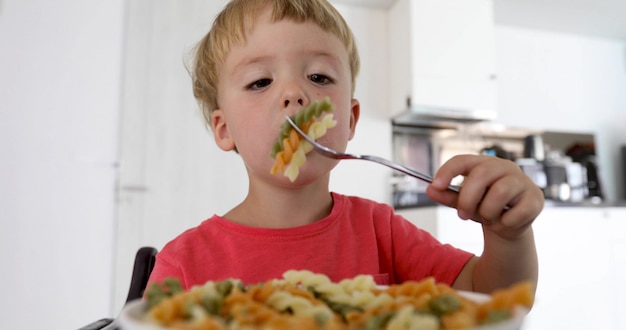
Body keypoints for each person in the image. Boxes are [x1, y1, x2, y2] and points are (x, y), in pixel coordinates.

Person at [147, 0, 543, 295]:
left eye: (319, 76)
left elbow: (491, 298)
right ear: (223, 129)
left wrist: (508, 237)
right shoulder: (183, 265)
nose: (294, 94)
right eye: (260, 82)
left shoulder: (380, 232)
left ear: (350, 120)